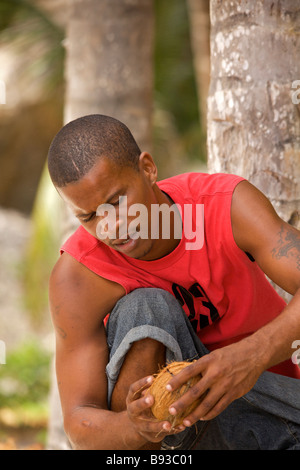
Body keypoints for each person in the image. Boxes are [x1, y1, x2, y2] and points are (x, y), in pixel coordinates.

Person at [47, 114, 300, 450]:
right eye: (89, 216)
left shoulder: (224, 205)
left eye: (116, 202)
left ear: (148, 168)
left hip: (269, 407)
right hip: (173, 439)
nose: (110, 227)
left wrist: (250, 356)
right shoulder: (78, 277)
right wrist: (132, 426)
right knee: (145, 306)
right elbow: (80, 419)